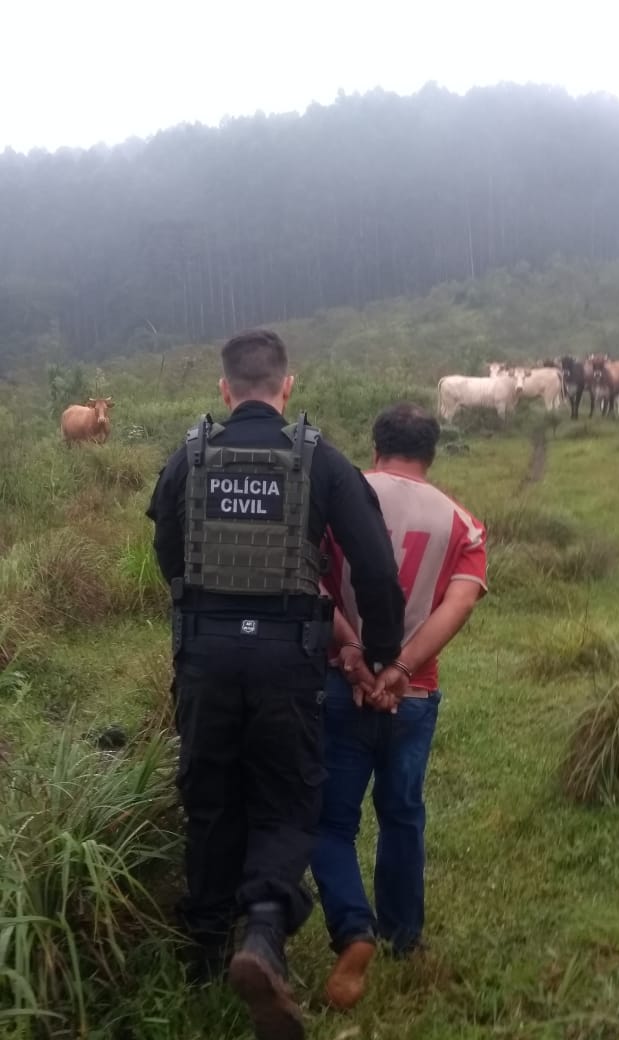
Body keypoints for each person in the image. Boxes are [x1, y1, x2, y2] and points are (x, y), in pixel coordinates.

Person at [146, 328, 406, 1040]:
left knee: (210, 791)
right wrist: (382, 652)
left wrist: (200, 608)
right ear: (287, 388)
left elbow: (166, 545)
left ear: (225, 391)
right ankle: (262, 931)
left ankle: (202, 949)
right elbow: (376, 568)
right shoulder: (318, 458)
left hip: (203, 654)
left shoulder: (191, 454)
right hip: (288, 657)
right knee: (286, 797)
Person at [311, 402, 488, 1011]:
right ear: (431, 454)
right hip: (413, 696)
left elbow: (312, 584)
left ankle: (354, 928)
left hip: (342, 684)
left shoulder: (340, 500)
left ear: (376, 445)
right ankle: (403, 937)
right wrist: (404, 669)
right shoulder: (461, 522)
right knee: (403, 815)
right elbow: (459, 603)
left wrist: (356, 655)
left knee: (330, 822)